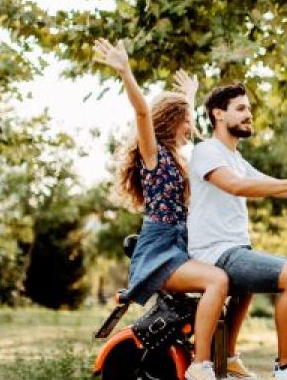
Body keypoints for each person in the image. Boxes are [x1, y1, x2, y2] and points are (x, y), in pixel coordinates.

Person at [92, 39, 229, 380]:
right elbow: (142, 112)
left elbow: (193, 131)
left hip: (181, 246)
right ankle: (201, 365)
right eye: (186, 119)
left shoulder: (179, 158)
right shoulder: (153, 156)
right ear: (170, 121)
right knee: (217, 281)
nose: (191, 128)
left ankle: (223, 361)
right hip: (160, 253)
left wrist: (191, 97)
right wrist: (125, 71)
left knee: (233, 280)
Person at [186, 84, 287, 379]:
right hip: (216, 253)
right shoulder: (206, 151)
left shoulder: (237, 159)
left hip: (237, 251)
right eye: (240, 109)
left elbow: (272, 186)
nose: (249, 114)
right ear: (218, 114)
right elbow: (238, 186)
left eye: (249, 109)